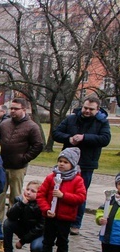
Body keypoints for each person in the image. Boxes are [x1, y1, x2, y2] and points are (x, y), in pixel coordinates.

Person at [52, 96, 112, 235]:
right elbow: (56, 133)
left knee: (80, 194)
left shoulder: (102, 122)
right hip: (67, 163)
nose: (87, 111)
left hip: (86, 163)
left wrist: (85, 137)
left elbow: (105, 139)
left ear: (97, 110)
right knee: (60, 190)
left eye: (91, 109)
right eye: (85, 108)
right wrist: (69, 138)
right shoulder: (71, 118)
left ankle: (76, 223)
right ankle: (57, 216)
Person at [36, 147, 86, 252]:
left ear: (72, 164)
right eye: (60, 161)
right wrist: (46, 209)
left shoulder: (77, 180)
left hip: (65, 217)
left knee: (63, 243)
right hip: (50, 216)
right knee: (47, 241)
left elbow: (80, 198)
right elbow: (41, 195)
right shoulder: (51, 177)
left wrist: (64, 196)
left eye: (65, 162)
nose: (62, 164)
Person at [0, 98, 44, 224]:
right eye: (11, 108)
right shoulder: (4, 124)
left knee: (15, 195)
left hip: (18, 167)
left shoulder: (32, 126)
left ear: (24, 109)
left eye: (16, 109)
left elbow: (38, 145)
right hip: (2, 165)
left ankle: (13, 219)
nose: (13, 111)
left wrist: (24, 158)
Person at [88, 173, 120, 252]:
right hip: (107, 236)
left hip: (118, 239)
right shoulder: (111, 199)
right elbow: (101, 211)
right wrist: (100, 218)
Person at [0, 180, 44, 252]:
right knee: (7, 223)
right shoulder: (20, 200)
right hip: (24, 228)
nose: (28, 192)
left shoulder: (42, 205)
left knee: (37, 247)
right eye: (27, 189)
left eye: (33, 191)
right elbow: (10, 216)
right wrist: (21, 204)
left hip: (38, 233)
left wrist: (21, 242)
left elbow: (40, 228)